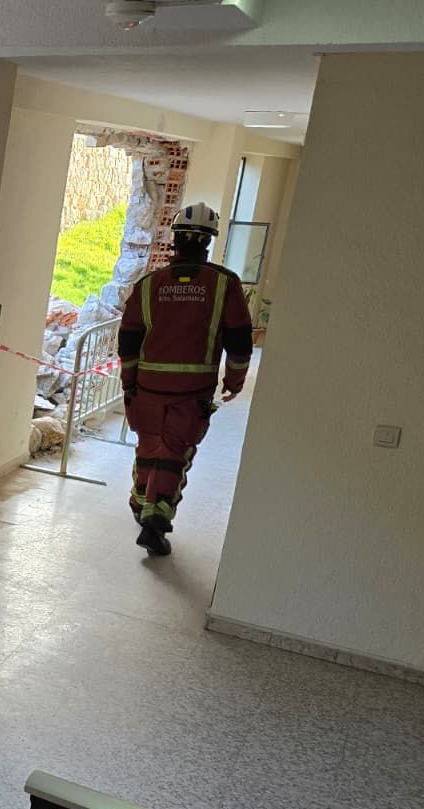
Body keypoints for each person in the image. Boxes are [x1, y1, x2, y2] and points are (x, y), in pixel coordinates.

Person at [118, 202, 252, 556]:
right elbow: (239, 341)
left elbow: (128, 339)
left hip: (146, 388)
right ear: (208, 242)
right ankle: (155, 520)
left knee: (149, 444)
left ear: (175, 239)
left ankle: (140, 499)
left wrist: (129, 382)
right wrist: (234, 382)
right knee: (174, 453)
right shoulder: (224, 284)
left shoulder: (149, 285)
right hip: (191, 393)